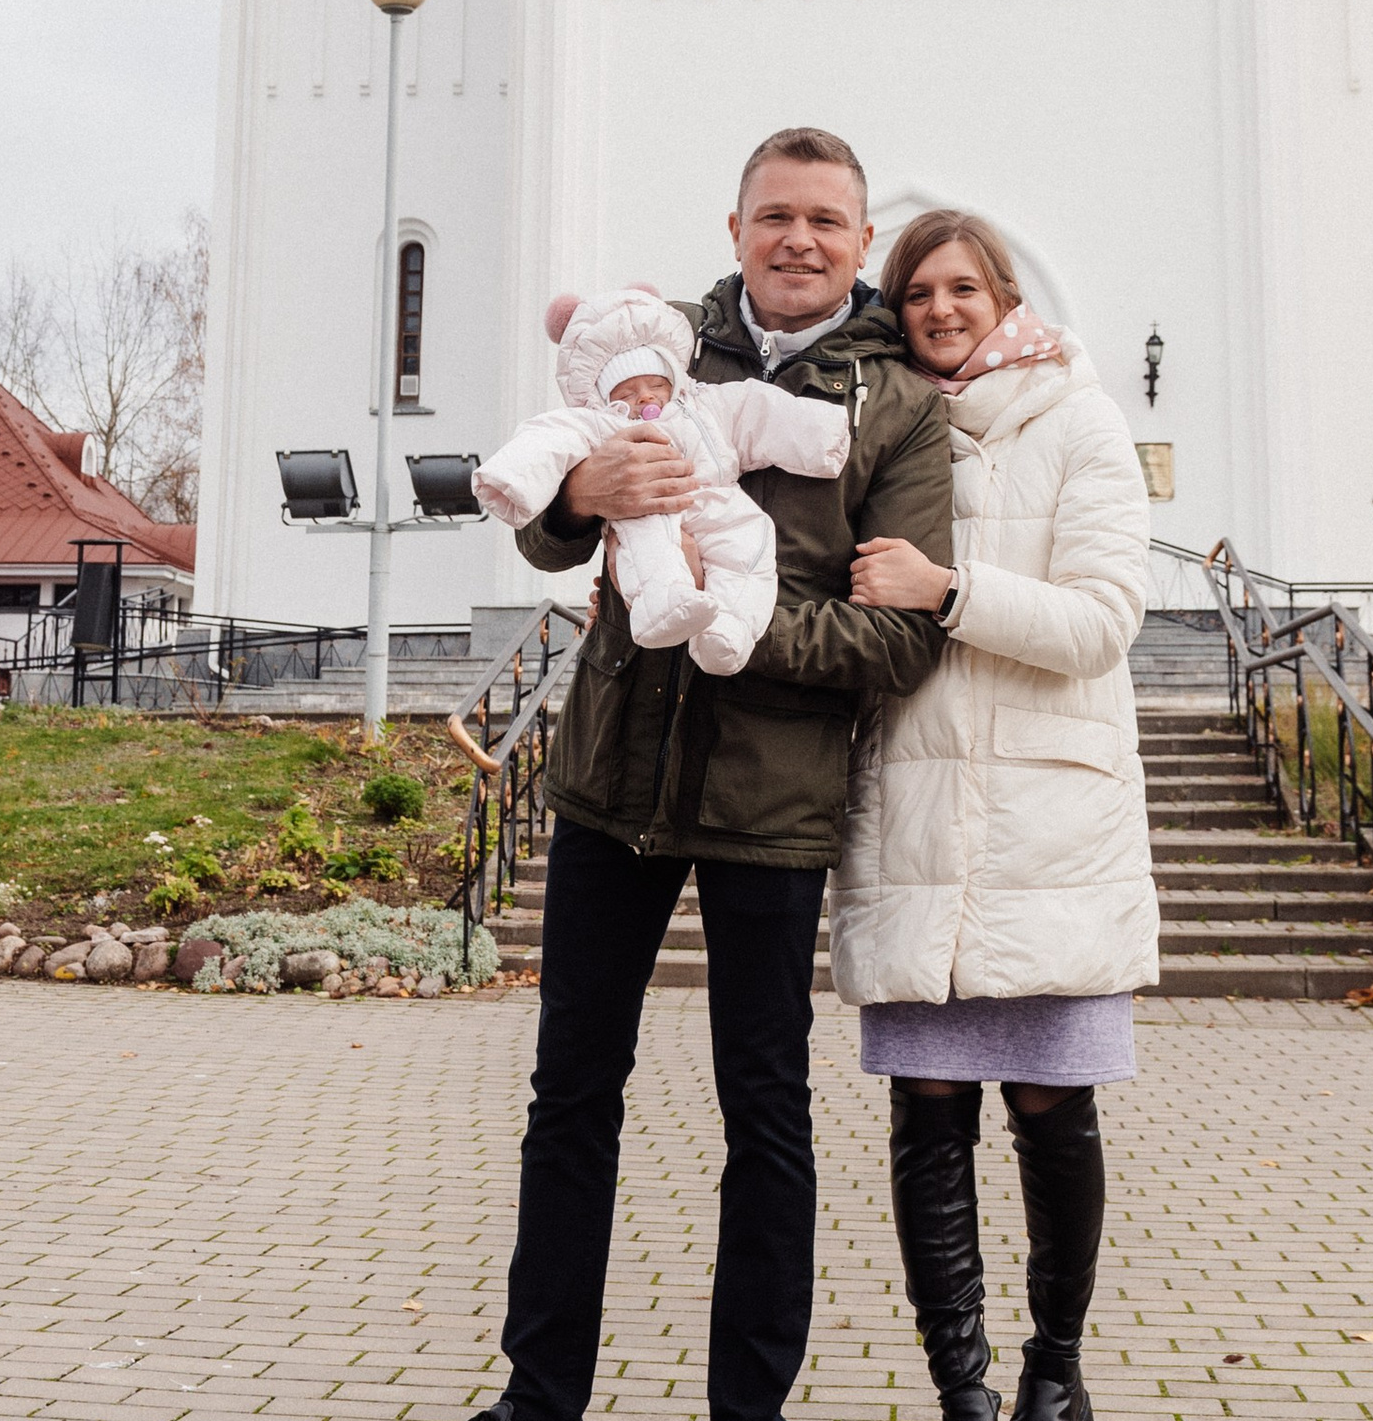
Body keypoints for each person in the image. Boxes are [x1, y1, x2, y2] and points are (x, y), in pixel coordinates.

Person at [474, 128, 954, 1421]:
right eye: (774, 216)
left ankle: (748, 1408)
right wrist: (581, 486)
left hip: (774, 804)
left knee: (767, 1114)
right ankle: (539, 1394)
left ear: (863, 242)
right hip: (610, 783)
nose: (798, 240)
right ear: (735, 228)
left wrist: (743, 635)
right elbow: (546, 531)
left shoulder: (897, 401)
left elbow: (901, 635)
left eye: (827, 222)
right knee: (571, 1094)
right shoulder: (660, 344)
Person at [832, 208, 1157, 1421]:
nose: (938, 308)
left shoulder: (1078, 420)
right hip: (916, 812)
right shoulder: (881, 422)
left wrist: (949, 588)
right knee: (926, 1114)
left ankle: (1053, 1370)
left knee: (1049, 1105)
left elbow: (1100, 621)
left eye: (962, 287)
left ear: (1004, 296)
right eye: (917, 290)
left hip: (1045, 828)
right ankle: (959, 1386)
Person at [472, 285, 850, 674]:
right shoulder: (603, 423)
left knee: (751, 543)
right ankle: (661, 608)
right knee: (649, 545)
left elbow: (758, 412)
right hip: (645, 507)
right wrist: (511, 480)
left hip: (716, 500)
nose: (645, 398)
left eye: (655, 386)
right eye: (629, 391)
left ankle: (727, 631)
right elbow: (548, 438)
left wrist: (826, 435)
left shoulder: (702, 404)